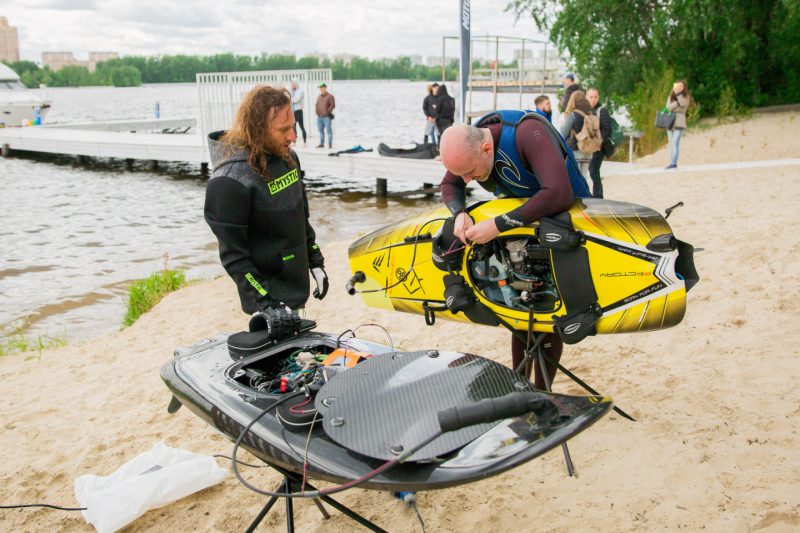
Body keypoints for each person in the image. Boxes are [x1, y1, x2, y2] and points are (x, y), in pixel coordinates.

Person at [438, 111, 590, 390]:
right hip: (527, 223)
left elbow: (558, 193)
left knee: (547, 307)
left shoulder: (527, 134)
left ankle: (542, 390)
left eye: (469, 171)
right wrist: (459, 213)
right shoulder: (472, 144)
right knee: (523, 301)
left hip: (570, 222)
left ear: (486, 148)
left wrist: (498, 225)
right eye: (464, 175)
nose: (468, 180)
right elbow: (449, 184)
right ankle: (521, 383)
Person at [204, 85, 328, 321]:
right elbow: (234, 257)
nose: (293, 136)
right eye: (284, 129)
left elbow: (300, 217)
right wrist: (267, 303)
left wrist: (315, 260)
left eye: (292, 126)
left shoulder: (289, 159)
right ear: (258, 129)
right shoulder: (229, 181)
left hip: (296, 287)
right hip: (266, 301)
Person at [560, 89, 610, 198]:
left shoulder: (573, 115)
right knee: (584, 176)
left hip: (575, 149)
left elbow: (563, 133)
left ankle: (577, 199)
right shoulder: (591, 113)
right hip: (588, 151)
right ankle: (585, 197)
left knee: (574, 177)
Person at [665, 79, 691, 169]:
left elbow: (683, 103)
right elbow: (668, 108)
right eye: (676, 86)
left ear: (683, 87)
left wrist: (678, 95)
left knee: (675, 142)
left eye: (680, 86)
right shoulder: (670, 96)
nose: (678, 88)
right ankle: (671, 162)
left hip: (680, 121)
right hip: (670, 122)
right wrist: (676, 103)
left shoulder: (686, 96)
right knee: (671, 143)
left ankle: (673, 163)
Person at [315, 83, 335, 149]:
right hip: (319, 117)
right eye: (320, 88)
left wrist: (327, 112)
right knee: (320, 131)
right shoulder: (319, 96)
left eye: (321, 88)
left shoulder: (330, 96)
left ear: (325, 88)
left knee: (329, 131)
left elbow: (332, 105)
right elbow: (317, 104)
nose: (321, 89)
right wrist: (316, 112)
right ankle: (321, 143)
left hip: (326, 117)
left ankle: (330, 144)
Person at [290, 79, 307, 146]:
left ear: (296, 83)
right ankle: (294, 141)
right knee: (293, 127)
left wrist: (291, 100)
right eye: (291, 84)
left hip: (298, 111)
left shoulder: (300, 91)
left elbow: (296, 100)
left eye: (293, 83)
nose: (292, 85)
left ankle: (304, 142)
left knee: (301, 126)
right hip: (293, 111)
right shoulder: (291, 91)